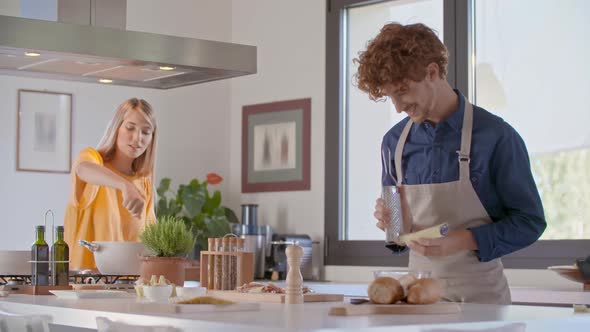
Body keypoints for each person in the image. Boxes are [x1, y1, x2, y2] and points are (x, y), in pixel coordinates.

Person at [354, 23, 546, 304]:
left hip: (481, 303)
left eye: (403, 91)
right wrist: (392, 219)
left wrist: (464, 239)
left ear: (432, 72)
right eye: (390, 96)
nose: (397, 107)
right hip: (415, 302)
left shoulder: (496, 136)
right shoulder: (392, 143)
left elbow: (530, 222)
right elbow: (397, 235)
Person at [64, 98, 157, 271]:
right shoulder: (92, 159)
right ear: (116, 128)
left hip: (129, 285)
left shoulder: (144, 182)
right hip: (85, 284)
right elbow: (83, 169)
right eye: (130, 128)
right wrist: (125, 186)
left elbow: (150, 241)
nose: (138, 138)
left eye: (146, 132)